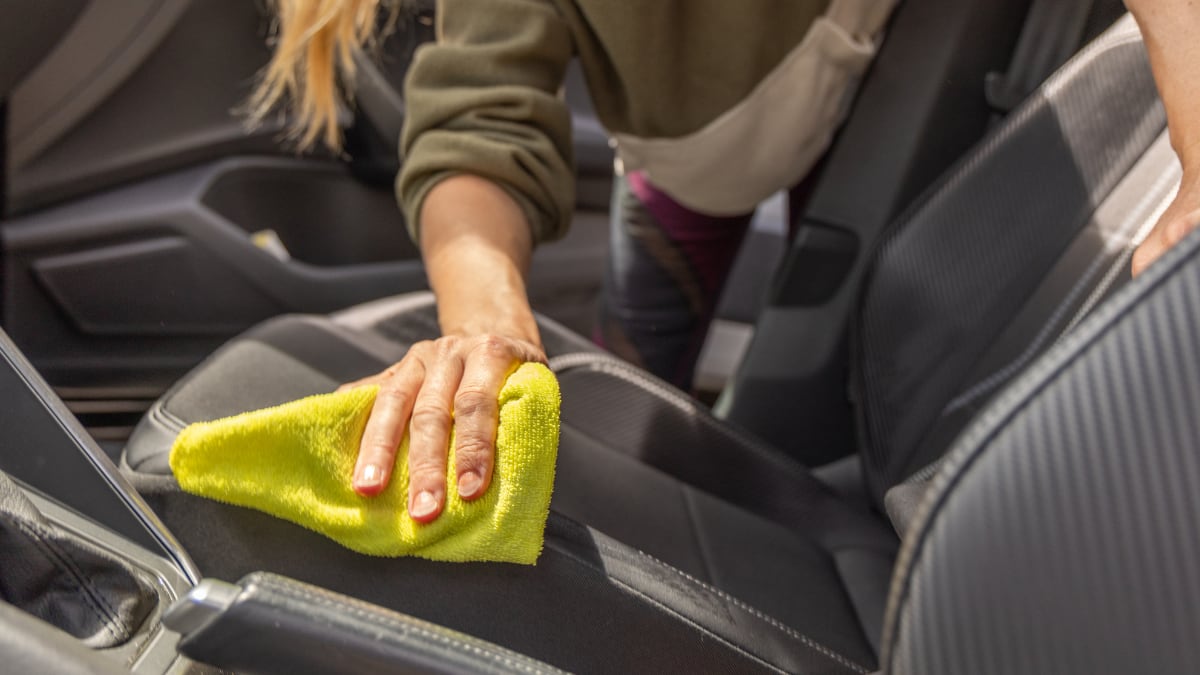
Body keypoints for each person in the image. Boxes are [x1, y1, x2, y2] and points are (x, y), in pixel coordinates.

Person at [250, 0, 1200, 524]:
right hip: (688, 168)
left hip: (872, 93)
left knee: (867, 339)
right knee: (634, 387)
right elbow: (476, 125)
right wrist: (486, 330)